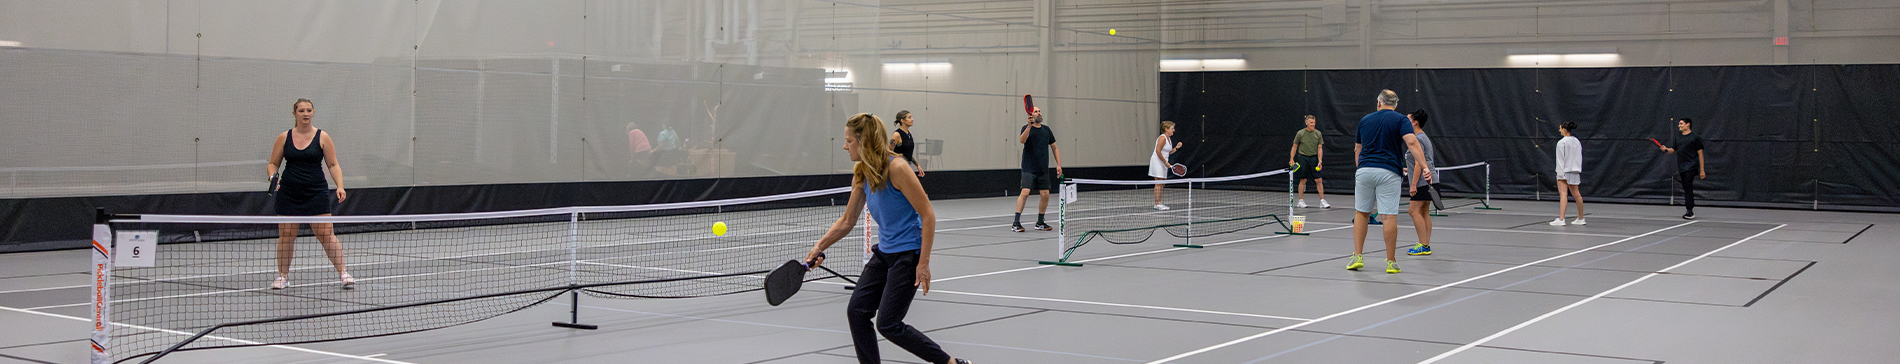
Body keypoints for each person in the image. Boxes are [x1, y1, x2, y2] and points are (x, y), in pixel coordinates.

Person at [802, 113, 972, 364]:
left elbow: (928, 216)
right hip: (885, 252)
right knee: (857, 311)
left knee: (889, 324)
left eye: (849, 140)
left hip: (909, 253)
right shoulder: (861, 172)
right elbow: (848, 220)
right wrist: (819, 246)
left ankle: (950, 363)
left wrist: (923, 264)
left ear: (864, 141)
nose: (844, 145)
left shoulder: (898, 168)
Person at [266, 99, 351, 289]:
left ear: (313, 113)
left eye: (309, 110)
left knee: (326, 235)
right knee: (287, 235)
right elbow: (273, 163)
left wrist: (340, 186)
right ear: (295, 113)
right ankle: (283, 277)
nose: (305, 114)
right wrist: (273, 177)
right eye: (301, 110)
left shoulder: (323, 137)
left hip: (316, 193)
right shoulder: (284, 137)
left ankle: (344, 273)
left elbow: (333, 164)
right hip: (289, 193)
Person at [1349, 90, 1430, 274]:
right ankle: (1391, 261)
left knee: (1361, 214)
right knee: (1388, 216)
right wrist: (1424, 167)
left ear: (1379, 102)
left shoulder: (1365, 120)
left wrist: (1360, 169)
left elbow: (1357, 149)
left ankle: (1357, 256)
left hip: (1365, 170)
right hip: (1389, 172)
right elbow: (1412, 143)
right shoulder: (1401, 120)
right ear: (1395, 105)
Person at [1011, 108, 1064, 232]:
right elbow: (1021, 140)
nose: (1039, 113)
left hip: (1042, 169)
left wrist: (1059, 165)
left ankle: (1040, 222)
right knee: (1025, 192)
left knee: (1045, 194)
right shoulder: (1026, 128)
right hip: (1028, 168)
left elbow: (1054, 148)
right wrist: (1029, 126)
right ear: (1030, 115)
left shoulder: (1046, 130)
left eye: (1039, 111)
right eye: (1036, 111)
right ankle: (1016, 223)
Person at [1403, 109, 1439, 256]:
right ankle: (1425, 244)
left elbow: (1419, 163)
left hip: (1422, 181)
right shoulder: (1422, 137)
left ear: (1415, 122)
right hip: (1430, 179)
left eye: (1408, 120)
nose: (1405, 123)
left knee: (1413, 210)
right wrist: (1408, 169)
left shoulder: (1419, 139)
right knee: (1424, 212)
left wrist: (1413, 184)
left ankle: (1423, 245)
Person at [1658, 118, 1705, 220]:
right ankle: (1689, 209)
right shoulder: (1678, 137)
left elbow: (1700, 154)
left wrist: (1702, 170)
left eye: (1681, 124)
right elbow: (1673, 150)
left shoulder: (1695, 138)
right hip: (1682, 166)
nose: (1679, 126)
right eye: (1679, 124)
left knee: (1687, 187)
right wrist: (1665, 149)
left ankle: (1690, 211)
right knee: (1686, 188)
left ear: (1688, 125)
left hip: (1691, 166)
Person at [1289, 115, 1330, 209]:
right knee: (1303, 179)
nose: (1313, 124)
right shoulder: (1300, 133)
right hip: (1303, 158)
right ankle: (1300, 201)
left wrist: (1320, 160)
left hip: (1314, 158)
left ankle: (1322, 201)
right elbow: (1294, 146)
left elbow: (1320, 148)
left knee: (1318, 180)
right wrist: (1292, 159)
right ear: (1306, 123)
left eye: (1314, 122)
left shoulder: (1318, 134)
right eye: (1311, 123)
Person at [1551, 121, 1586, 226]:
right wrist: (1577, 169)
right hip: (1574, 171)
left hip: (1564, 171)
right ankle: (1581, 218)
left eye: (1560, 128)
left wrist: (1560, 174)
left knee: (1563, 195)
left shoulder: (1561, 143)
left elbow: (1560, 160)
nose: (1559, 130)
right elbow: (1579, 157)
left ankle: (1561, 219)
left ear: (1564, 130)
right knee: (1577, 195)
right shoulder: (1576, 141)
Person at [1148, 120, 1184, 210]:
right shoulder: (1162, 138)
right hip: (1157, 162)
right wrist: (1165, 162)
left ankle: (1159, 202)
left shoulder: (1169, 139)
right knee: (1159, 182)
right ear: (1166, 129)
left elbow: (1169, 152)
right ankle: (1157, 203)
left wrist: (1176, 147)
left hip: (1163, 162)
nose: (1174, 130)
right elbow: (1158, 151)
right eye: (1172, 128)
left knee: (1162, 182)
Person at [890, 110, 925, 177]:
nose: (912, 119)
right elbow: (889, 153)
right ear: (902, 120)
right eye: (909, 117)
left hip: (906, 166)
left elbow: (908, 153)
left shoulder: (909, 134)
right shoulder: (897, 135)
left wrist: (917, 165)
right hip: (898, 168)